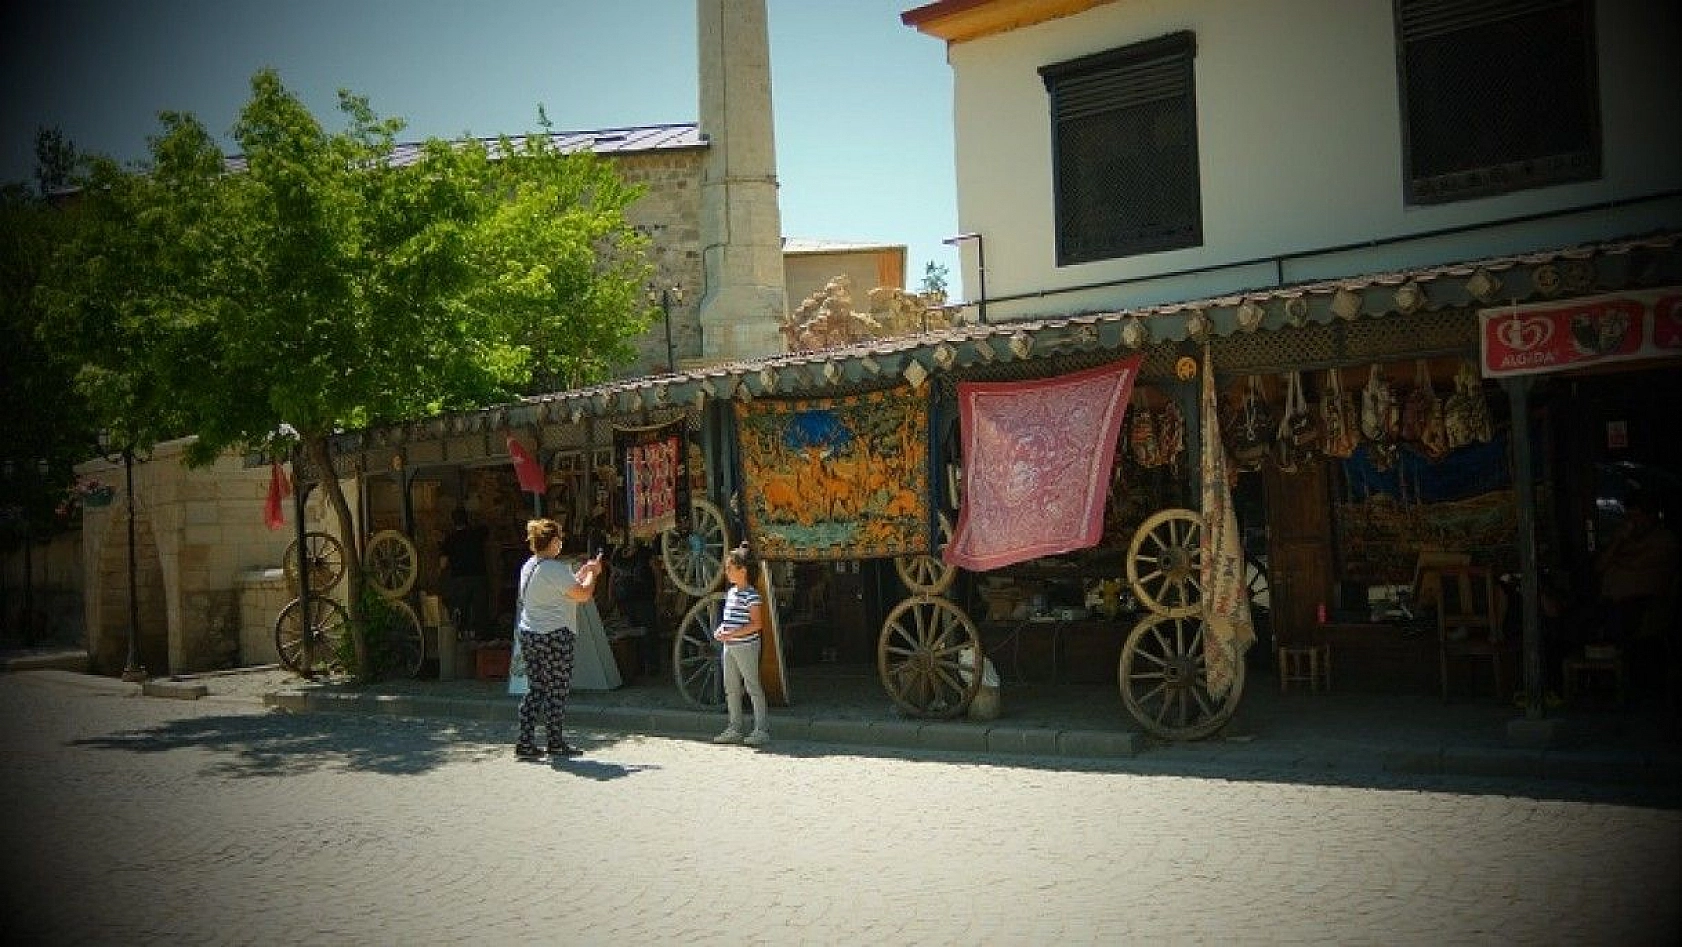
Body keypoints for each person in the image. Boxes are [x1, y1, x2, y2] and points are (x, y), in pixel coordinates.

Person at [513, 517, 603, 759]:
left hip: (530, 633)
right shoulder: (553, 568)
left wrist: (581, 573)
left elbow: (565, 587)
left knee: (536, 689)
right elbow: (582, 594)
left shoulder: (529, 566)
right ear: (553, 542)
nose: (561, 544)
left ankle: (525, 741)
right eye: (559, 540)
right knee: (557, 690)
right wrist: (593, 574)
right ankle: (555, 741)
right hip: (554, 634)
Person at [1595, 489, 1680, 697]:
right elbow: (1599, 566)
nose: (1632, 522)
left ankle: (1625, 684)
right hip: (1613, 600)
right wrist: (1617, 543)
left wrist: (1619, 558)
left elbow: (1635, 564)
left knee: (1618, 621)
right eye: (1629, 516)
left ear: (1650, 516)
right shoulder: (1625, 539)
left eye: (1636, 516)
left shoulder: (1664, 540)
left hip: (1646, 604)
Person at [711, 544, 771, 747]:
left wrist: (732, 633)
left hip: (745, 646)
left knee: (752, 686)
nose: (726, 572)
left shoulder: (751, 595)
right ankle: (734, 727)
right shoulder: (731, 593)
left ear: (742, 570)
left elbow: (756, 624)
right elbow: (729, 620)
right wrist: (721, 631)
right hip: (730, 646)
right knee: (731, 688)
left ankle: (761, 729)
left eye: (730, 568)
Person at [612, 538, 662, 676]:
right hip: (625, 600)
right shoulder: (617, 554)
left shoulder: (646, 553)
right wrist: (611, 597)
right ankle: (636, 667)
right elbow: (613, 576)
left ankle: (652, 667)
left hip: (644, 598)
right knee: (631, 633)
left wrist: (659, 594)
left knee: (649, 633)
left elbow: (657, 574)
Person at [439, 509, 490, 640]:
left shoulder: (450, 539)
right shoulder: (477, 533)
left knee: (461, 609)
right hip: (479, 576)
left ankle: (463, 637)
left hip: (459, 578)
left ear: (453, 521)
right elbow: (487, 530)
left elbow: (443, 564)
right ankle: (482, 638)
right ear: (467, 519)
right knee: (481, 610)